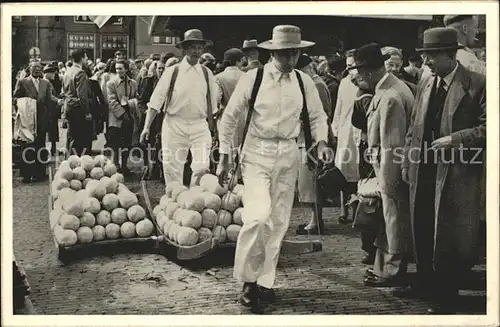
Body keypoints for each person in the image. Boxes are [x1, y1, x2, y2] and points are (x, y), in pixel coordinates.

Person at [217, 25, 330, 313]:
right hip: (257, 151)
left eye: (295, 52)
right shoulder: (253, 79)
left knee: (279, 220)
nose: (290, 58)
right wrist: (225, 155)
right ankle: (247, 281)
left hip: (288, 151)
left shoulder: (303, 82)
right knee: (257, 216)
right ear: (272, 52)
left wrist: (321, 142)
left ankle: (265, 282)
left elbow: (317, 116)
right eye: (284, 53)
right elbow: (229, 119)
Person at [398, 27, 486, 314]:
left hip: (458, 172)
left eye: (432, 56)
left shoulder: (477, 84)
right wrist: (407, 162)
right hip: (424, 170)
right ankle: (428, 282)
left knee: (450, 233)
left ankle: (448, 296)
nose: (427, 62)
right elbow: (413, 128)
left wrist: (457, 138)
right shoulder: (426, 84)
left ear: (451, 54)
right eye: (425, 56)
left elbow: (490, 127)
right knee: (423, 226)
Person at [348, 43, 414, 288]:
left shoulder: (390, 96)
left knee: (393, 219)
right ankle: (385, 267)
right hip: (386, 166)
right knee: (389, 221)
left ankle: (393, 271)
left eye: (358, 72)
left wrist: (387, 181)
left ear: (367, 72)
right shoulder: (389, 89)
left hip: (390, 169)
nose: (357, 77)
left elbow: (392, 145)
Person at [140, 29, 218, 187]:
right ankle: (174, 202)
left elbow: (212, 105)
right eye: (193, 47)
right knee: (172, 169)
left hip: (199, 125)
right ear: (185, 49)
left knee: (202, 167)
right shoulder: (171, 72)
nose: (196, 51)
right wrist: (146, 127)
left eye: (199, 48)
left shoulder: (207, 73)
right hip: (174, 125)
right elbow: (156, 102)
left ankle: (194, 200)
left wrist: (214, 128)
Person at [295, 53, 332, 234]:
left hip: (314, 139)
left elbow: (321, 113)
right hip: (307, 138)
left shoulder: (316, 85)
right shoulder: (311, 84)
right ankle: (314, 219)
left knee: (312, 181)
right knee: (308, 181)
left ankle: (316, 220)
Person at [13, 61, 59, 183]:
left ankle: (39, 173)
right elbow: (15, 98)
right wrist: (25, 105)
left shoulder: (45, 83)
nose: (38, 70)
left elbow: (50, 98)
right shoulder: (23, 82)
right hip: (28, 120)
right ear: (30, 69)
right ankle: (27, 174)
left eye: (39, 68)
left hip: (42, 119)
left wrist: (57, 102)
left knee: (40, 145)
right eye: (35, 68)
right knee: (27, 146)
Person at [331, 49, 361, 223]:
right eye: (348, 67)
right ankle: (343, 210)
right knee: (342, 172)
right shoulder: (344, 83)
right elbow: (339, 109)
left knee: (358, 173)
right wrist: (335, 131)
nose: (351, 71)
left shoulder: (365, 83)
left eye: (353, 67)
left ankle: (357, 209)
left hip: (358, 134)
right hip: (345, 132)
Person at [106, 59, 139, 175]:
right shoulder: (111, 84)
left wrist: (132, 105)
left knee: (126, 143)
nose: (118, 71)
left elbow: (135, 98)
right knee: (115, 144)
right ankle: (115, 165)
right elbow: (112, 102)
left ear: (126, 69)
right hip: (116, 119)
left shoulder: (133, 83)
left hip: (129, 117)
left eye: (120, 68)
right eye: (116, 69)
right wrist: (122, 114)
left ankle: (124, 165)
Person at [61, 49, 93, 156]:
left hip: (68, 107)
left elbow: (64, 91)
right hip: (78, 110)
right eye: (86, 57)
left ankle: (68, 163)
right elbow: (82, 96)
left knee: (71, 137)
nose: (87, 59)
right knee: (79, 140)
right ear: (82, 58)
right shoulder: (80, 72)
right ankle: (76, 165)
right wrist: (87, 112)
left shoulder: (68, 71)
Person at [43, 64, 63, 157]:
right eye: (53, 73)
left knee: (53, 131)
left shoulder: (48, 82)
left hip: (51, 110)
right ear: (48, 73)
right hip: (49, 111)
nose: (55, 75)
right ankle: (52, 150)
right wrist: (58, 100)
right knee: (51, 131)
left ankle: (53, 149)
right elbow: (50, 96)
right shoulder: (46, 82)